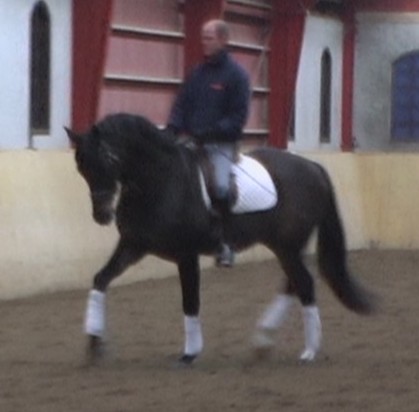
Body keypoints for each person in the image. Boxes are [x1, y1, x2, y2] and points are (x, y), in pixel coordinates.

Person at [166, 19, 251, 267]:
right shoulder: (197, 74)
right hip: (192, 141)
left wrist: (211, 133)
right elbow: (181, 104)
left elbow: (237, 118)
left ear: (223, 40)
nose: (203, 42)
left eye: (209, 38)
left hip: (220, 145)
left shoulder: (237, 76)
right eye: (203, 37)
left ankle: (226, 243)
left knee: (221, 187)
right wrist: (172, 127)